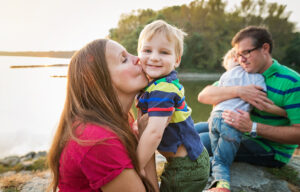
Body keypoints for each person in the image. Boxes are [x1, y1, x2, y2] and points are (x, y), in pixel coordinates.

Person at [47, 39, 159, 192]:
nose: (138, 58)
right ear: (97, 80)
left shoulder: (120, 120)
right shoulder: (97, 140)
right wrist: (147, 142)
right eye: (124, 59)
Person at [198, 26, 300, 191]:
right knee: (190, 130)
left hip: (268, 147)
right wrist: (239, 91)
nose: (241, 59)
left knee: (197, 143)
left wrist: (252, 127)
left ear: (265, 48)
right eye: (238, 54)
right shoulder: (243, 72)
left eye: (247, 52)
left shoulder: (292, 82)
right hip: (235, 127)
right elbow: (204, 95)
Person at [136, 20, 210, 192]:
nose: (154, 57)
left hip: (187, 168)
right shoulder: (155, 85)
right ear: (138, 53)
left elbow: (154, 133)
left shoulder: (163, 89)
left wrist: (136, 165)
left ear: (176, 60)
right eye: (147, 50)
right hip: (187, 162)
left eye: (164, 52)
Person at [204, 48, 287, 192]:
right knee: (218, 155)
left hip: (219, 118)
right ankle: (219, 180)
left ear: (235, 59)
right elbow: (204, 95)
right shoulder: (256, 78)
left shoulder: (227, 75)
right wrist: (239, 92)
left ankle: (216, 180)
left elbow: (215, 101)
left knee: (211, 149)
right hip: (230, 122)